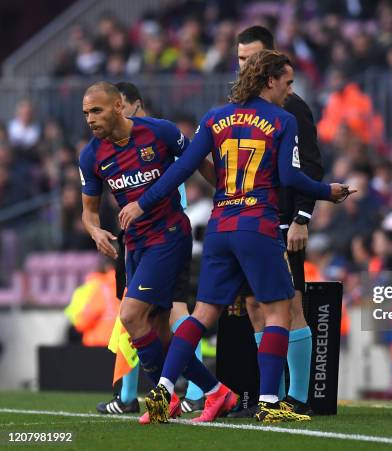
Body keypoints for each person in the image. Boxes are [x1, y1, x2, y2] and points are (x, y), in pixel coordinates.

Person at [118, 50, 353, 423]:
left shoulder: (214, 117)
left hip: (220, 226)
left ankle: (162, 390)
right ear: (270, 81)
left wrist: (141, 204)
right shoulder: (282, 120)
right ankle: (270, 403)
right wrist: (329, 192)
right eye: (288, 82)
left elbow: (183, 168)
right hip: (258, 225)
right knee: (278, 312)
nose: (290, 90)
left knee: (200, 316)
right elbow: (290, 178)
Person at [79, 81, 220, 424]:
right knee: (157, 329)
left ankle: (161, 396)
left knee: (130, 316)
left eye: (96, 111)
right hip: (135, 244)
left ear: (118, 106)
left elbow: (196, 160)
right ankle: (216, 392)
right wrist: (94, 229)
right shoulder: (91, 155)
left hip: (169, 234)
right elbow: (89, 210)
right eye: (86, 113)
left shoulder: (159, 132)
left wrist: (225, 191)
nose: (90, 119)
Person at [230, 25, 324, 417]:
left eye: (250, 58)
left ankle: (299, 397)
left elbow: (312, 165)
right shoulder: (240, 105)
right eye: (238, 59)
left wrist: (302, 218)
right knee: (255, 306)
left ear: (267, 60)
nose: (242, 65)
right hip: (247, 223)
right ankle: (274, 396)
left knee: (290, 305)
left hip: (282, 224)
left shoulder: (292, 105)